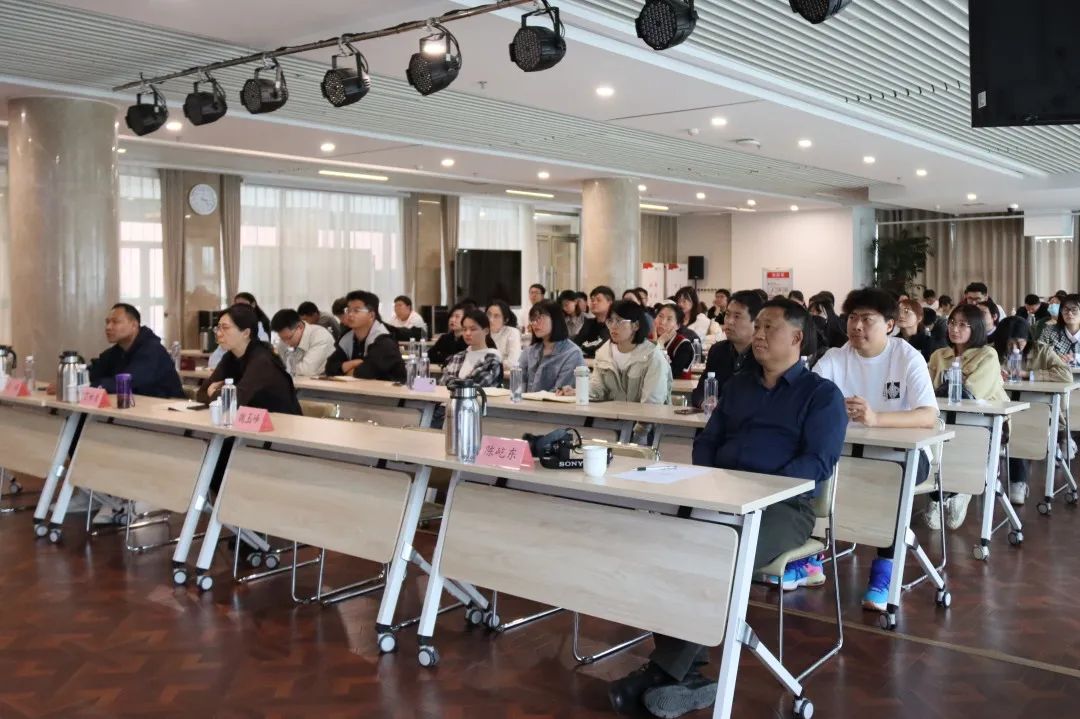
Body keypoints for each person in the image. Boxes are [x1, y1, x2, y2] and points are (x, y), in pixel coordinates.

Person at [609, 298, 846, 718]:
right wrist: (711, 482)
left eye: (769, 327)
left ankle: (664, 672)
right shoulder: (739, 386)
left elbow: (818, 462)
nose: (758, 334)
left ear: (796, 337)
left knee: (718, 556)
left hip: (782, 508)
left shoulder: (822, 396)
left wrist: (760, 488)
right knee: (667, 543)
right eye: (759, 326)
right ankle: (686, 674)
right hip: (720, 496)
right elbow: (708, 441)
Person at [812, 288, 939, 612]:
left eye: (867, 319)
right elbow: (806, 399)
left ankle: (884, 570)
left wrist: (875, 418)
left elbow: (928, 415)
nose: (857, 326)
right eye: (853, 318)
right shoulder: (836, 357)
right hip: (848, 455)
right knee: (808, 470)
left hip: (904, 457)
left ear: (890, 325)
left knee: (888, 481)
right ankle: (810, 556)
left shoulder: (906, 357)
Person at [927, 304, 1007, 528]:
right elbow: (927, 392)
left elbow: (972, 394)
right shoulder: (939, 355)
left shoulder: (988, 354)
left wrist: (948, 386)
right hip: (944, 418)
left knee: (960, 439)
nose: (955, 328)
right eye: (952, 323)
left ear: (976, 328)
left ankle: (961, 491)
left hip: (982, 422)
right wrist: (955, 383)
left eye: (963, 324)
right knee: (929, 438)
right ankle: (938, 495)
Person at [993, 316, 1071, 505]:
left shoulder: (1041, 350)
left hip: (1037, 410)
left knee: (1019, 427)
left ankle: (1018, 481)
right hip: (1004, 407)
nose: (1014, 348)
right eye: (1009, 344)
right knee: (1010, 424)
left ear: (1028, 338)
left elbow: (1066, 375)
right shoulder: (992, 352)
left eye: (1019, 343)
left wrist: (1029, 374)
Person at [560, 300, 671, 408]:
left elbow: (652, 405)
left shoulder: (652, 357)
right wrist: (577, 391)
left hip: (642, 418)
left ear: (636, 325)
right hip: (611, 418)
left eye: (619, 321)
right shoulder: (604, 352)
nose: (613, 326)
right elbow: (597, 389)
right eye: (610, 321)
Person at [196, 304, 302, 414]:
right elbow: (201, 394)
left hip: (282, 420)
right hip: (251, 420)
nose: (218, 333)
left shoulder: (262, 360)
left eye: (225, 328)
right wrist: (216, 395)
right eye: (218, 327)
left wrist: (212, 393)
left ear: (246, 333)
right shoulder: (230, 357)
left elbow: (235, 401)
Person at [87, 303, 185, 399]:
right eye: (107, 322)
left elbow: (126, 383)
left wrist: (96, 384)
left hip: (168, 406)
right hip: (138, 406)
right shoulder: (116, 351)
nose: (108, 327)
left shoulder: (152, 350)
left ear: (134, 325)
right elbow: (91, 375)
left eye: (115, 322)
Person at [690, 290, 763, 407]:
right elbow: (699, 392)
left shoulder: (764, 355)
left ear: (756, 322)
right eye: (727, 315)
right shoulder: (718, 350)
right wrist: (705, 402)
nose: (729, 321)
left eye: (737, 316)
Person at [324, 290, 406, 382]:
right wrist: (354, 363)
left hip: (390, 390)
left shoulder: (384, 341)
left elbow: (366, 373)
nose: (350, 314)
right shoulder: (347, 338)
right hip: (357, 389)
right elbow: (329, 368)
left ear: (371, 315)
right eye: (348, 310)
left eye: (356, 310)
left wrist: (344, 370)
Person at [519, 300, 585, 392]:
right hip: (525, 401)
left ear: (555, 319)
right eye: (532, 319)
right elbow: (518, 384)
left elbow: (560, 392)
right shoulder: (529, 351)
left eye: (539, 318)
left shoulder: (572, 353)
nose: (534, 323)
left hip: (552, 401)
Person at [438, 310, 504, 387]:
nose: (467, 333)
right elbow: (442, 382)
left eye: (473, 329)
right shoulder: (458, 356)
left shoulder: (492, 359)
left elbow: (476, 386)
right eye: (464, 329)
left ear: (486, 331)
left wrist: (452, 382)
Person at [270, 309, 336, 377]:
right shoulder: (283, 341)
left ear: (300, 327)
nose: (286, 343)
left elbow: (307, 371)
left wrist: (285, 369)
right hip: (297, 382)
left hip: (325, 382)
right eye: (282, 339)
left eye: (289, 338)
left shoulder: (320, 336)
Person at [653, 303, 695, 380]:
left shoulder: (684, 345)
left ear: (678, 326)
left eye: (669, 319)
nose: (662, 322)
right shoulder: (647, 339)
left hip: (677, 387)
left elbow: (671, 373)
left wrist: (660, 344)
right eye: (660, 316)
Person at [573, 286, 615, 358]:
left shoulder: (613, 325)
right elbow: (576, 345)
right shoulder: (588, 323)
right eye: (592, 300)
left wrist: (584, 349)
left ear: (610, 303)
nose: (594, 303)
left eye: (598, 300)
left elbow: (601, 348)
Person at [428, 301, 473, 366]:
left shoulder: (469, 339)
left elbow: (463, 360)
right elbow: (430, 355)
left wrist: (443, 356)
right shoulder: (445, 338)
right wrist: (448, 358)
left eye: (457, 317)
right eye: (451, 316)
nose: (452, 320)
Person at [1038, 293, 1080, 362]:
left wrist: (1077, 357)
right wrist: (1054, 359)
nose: (1069, 313)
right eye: (1066, 309)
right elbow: (1038, 355)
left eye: (1074, 309)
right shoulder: (1049, 332)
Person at [486, 300, 522, 368]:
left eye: (496, 316)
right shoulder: (481, 332)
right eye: (489, 314)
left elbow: (513, 362)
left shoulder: (512, 332)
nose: (490, 319)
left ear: (505, 320)